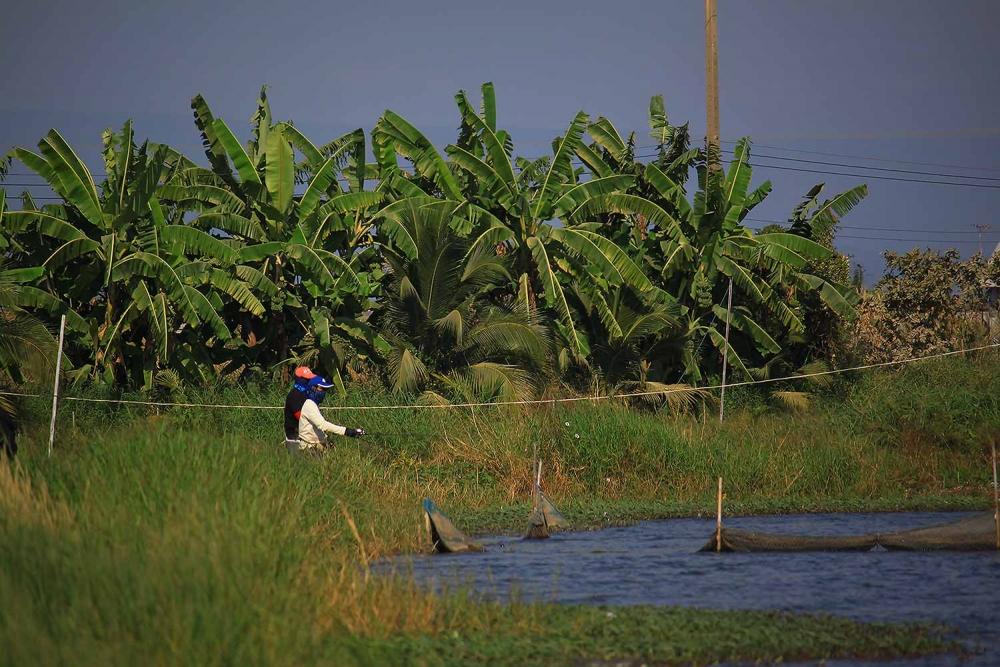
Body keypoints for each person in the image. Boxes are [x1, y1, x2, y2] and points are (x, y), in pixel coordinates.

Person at [283, 373, 365, 453]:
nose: (324, 392)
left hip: (317, 447)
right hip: (310, 449)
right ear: (313, 388)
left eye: (325, 389)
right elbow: (322, 425)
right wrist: (347, 431)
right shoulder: (309, 405)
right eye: (322, 388)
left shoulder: (313, 404)